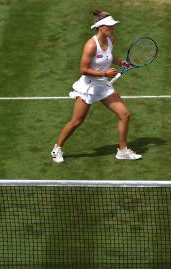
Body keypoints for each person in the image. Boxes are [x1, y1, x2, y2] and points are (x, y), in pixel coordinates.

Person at [51, 10, 141, 163]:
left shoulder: (110, 39)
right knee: (76, 121)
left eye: (113, 26)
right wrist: (105, 74)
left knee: (124, 115)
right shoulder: (91, 45)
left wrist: (120, 62)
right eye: (109, 26)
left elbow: (108, 57)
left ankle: (123, 150)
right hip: (89, 87)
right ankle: (57, 148)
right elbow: (83, 70)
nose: (112, 28)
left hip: (104, 87)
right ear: (100, 27)